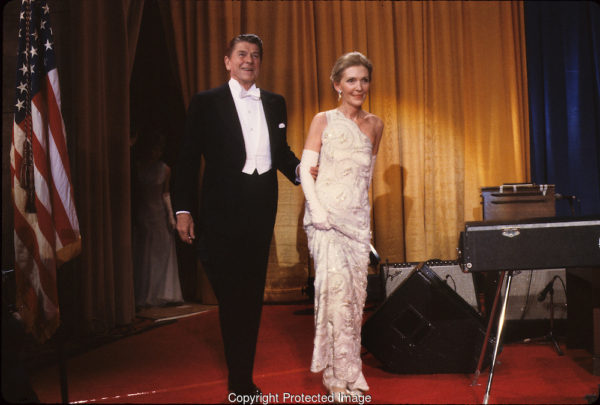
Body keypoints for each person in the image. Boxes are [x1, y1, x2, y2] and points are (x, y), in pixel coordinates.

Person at [172, 34, 310, 398]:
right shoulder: (206, 103)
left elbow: (281, 154)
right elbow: (187, 158)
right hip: (219, 212)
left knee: (247, 299)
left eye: (255, 55)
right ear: (227, 61)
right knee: (234, 297)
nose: (249, 60)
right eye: (242, 54)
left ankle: (241, 381)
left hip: (260, 211)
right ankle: (240, 379)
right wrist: (183, 208)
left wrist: (304, 173)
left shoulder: (276, 103)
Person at [299, 52, 383, 401]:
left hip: (356, 223)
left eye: (363, 79)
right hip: (326, 220)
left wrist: (364, 220)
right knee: (334, 298)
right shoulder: (323, 120)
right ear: (337, 84)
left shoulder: (376, 124)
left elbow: (367, 176)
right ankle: (336, 377)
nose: (358, 86)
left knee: (353, 300)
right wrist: (317, 211)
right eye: (351, 80)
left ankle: (351, 372)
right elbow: (306, 170)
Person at [132, 132, 183, 308]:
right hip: (143, 212)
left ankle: (163, 292)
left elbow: (165, 193)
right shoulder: (138, 167)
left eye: (159, 150)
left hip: (159, 214)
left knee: (161, 254)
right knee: (145, 255)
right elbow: (136, 193)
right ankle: (146, 294)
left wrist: (171, 216)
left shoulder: (165, 169)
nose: (156, 153)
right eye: (154, 149)